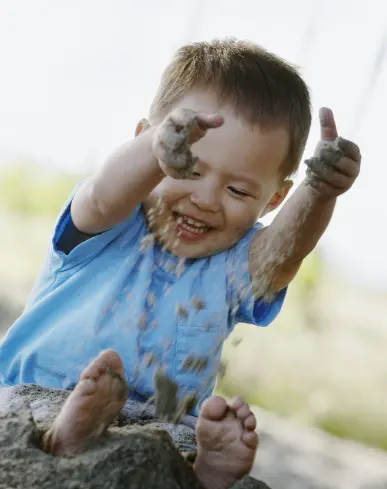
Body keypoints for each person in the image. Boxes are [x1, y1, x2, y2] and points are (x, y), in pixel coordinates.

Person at [0, 38, 361, 488]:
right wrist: (157, 147)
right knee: (55, 418)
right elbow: (102, 192)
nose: (206, 199)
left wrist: (319, 191)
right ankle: (74, 434)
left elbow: (280, 258)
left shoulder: (232, 265)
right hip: (41, 394)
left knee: (182, 452)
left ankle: (206, 471)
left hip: (163, 426)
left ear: (274, 199)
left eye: (239, 191)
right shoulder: (112, 219)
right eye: (188, 168)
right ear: (145, 142)